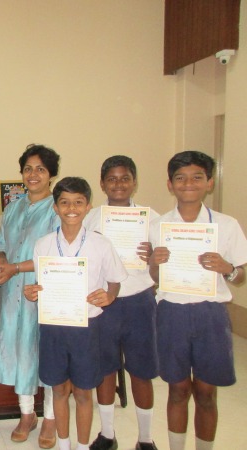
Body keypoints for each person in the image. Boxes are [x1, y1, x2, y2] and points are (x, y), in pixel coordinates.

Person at [148, 151, 247, 450]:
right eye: (180, 178)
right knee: (177, 390)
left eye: (197, 177)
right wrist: (154, 262)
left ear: (209, 183)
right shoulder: (158, 225)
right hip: (171, 313)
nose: (188, 183)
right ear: (170, 184)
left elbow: (240, 276)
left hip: (210, 315)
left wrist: (227, 268)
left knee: (206, 393)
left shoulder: (226, 225)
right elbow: (155, 277)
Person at [25, 177, 127, 450]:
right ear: (55, 207)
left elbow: (115, 281)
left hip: (87, 328)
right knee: (58, 389)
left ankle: (82, 446)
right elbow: (40, 284)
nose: (72, 208)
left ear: (88, 206)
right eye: (65, 203)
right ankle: (64, 444)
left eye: (78, 202)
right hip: (54, 327)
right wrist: (32, 291)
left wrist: (110, 295)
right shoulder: (43, 244)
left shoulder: (100, 244)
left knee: (83, 392)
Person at [83, 156, 159, 450]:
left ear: (134, 182)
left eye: (125, 178)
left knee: (141, 371)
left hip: (140, 301)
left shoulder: (151, 218)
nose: (118, 184)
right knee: (105, 370)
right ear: (102, 184)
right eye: (111, 179)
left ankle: (145, 438)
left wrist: (153, 257)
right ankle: (107, 434)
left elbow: (164, 267)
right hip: (103, 303)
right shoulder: (91, 218)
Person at [0, 144, 61, 448]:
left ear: (51, 175)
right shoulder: (13, 208)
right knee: (21, 351)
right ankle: (27, 414)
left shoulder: (57, 209)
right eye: (28, 169)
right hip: (12, 292)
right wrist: (0, 260)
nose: (33, 175)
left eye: (41, 169)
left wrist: (15, 267)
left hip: (43, 291)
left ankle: (51, 418)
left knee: (46, 352)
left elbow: (57, 254)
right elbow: (2, 243)